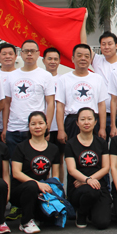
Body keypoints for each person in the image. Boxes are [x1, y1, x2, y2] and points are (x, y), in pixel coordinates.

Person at [3, 40, 56, 157]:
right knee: (14, 164)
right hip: (14, 129)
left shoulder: (46, 76)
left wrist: (47, 127)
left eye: (32, 51)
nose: (29, 54)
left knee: (35, 163)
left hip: (36, 129)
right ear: (21, 53)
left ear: (38, 53)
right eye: (26, 51)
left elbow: (50, 103)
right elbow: (7, 103)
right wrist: (5, 127)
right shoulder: (11, 76)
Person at [11, 111, 60, 234]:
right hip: (21, 190)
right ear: (29, 126)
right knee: (31, 186)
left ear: (46, 125)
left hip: (42, 190)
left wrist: (51, 190)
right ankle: (26, 222)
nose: (37, 127)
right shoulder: (21, 147)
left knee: (49, 220)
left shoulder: (54, 148)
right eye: (33, 124)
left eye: (40, 123)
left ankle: (35, 214)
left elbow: (55, 176)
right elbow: (16, 173)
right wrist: (38, 184)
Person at [65, 107, 111, 229]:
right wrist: (87, 180)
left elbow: (106, 168)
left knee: (102, 223)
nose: (86, 122)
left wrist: (88, 180)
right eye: (83, 119)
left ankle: (91, 210)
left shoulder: (101, 142)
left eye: (90, 119)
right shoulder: (70, 144)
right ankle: (81, 213)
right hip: (77, 186)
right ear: (77, 122)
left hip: (98, 184)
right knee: (90, 191)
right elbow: (71, 170)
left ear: (95, 122)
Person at [56, 44, 107, 142]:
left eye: (87, 56)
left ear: (90, 59)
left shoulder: (98, 79)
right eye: (79, 56)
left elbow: (101, 105)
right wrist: (61, 130)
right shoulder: (64, 79)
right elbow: (60, 106)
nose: (83, 58)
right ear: (73, 58)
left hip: (92, 121)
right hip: (72, 121)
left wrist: (102, 128)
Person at [90, 31, 117, 138]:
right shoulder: (97, 61)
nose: (106, 47)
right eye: (103, 44)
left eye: (110, 44)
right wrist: (83, 22)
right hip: (100, 115)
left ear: (116, 45)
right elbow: (83, 44)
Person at [43, 47, 65, 182]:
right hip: (43, 126)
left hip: (59, 126)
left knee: (59, 160)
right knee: (44, 161)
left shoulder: (63, 79)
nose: (53, 61)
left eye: (56, 59)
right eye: (49, 59)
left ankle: (59, 188)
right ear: (43, 60)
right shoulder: (40, 77)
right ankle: (44, 189)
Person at [0, 43, 17, 137]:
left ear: (15, 57)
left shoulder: (21, 75)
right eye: (4, 54)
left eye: (10, 54)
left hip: (15, 125)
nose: (7, 56)